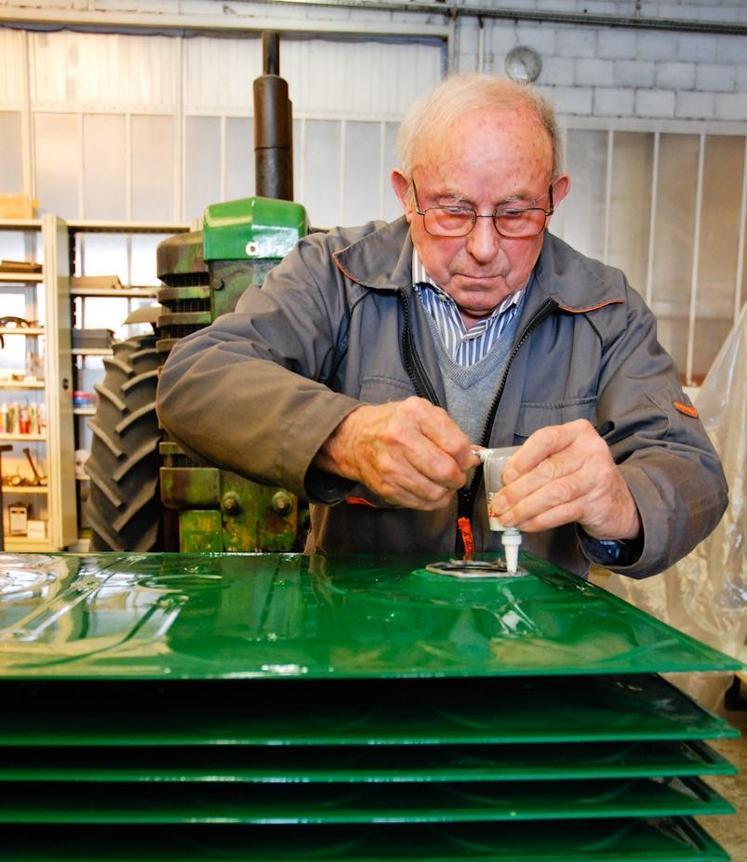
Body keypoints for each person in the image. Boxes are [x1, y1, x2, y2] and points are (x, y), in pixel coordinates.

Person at [156, 73, 727, 578]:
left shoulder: (606, 309)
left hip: (535, 645)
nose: (483, 248)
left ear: (556, 197)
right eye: (452, 210)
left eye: (516, 213)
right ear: (407, 194)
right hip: (364, 642)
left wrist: (621, 502)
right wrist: (342, 436)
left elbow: (693, 471)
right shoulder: (334, 276)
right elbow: (194, 380)